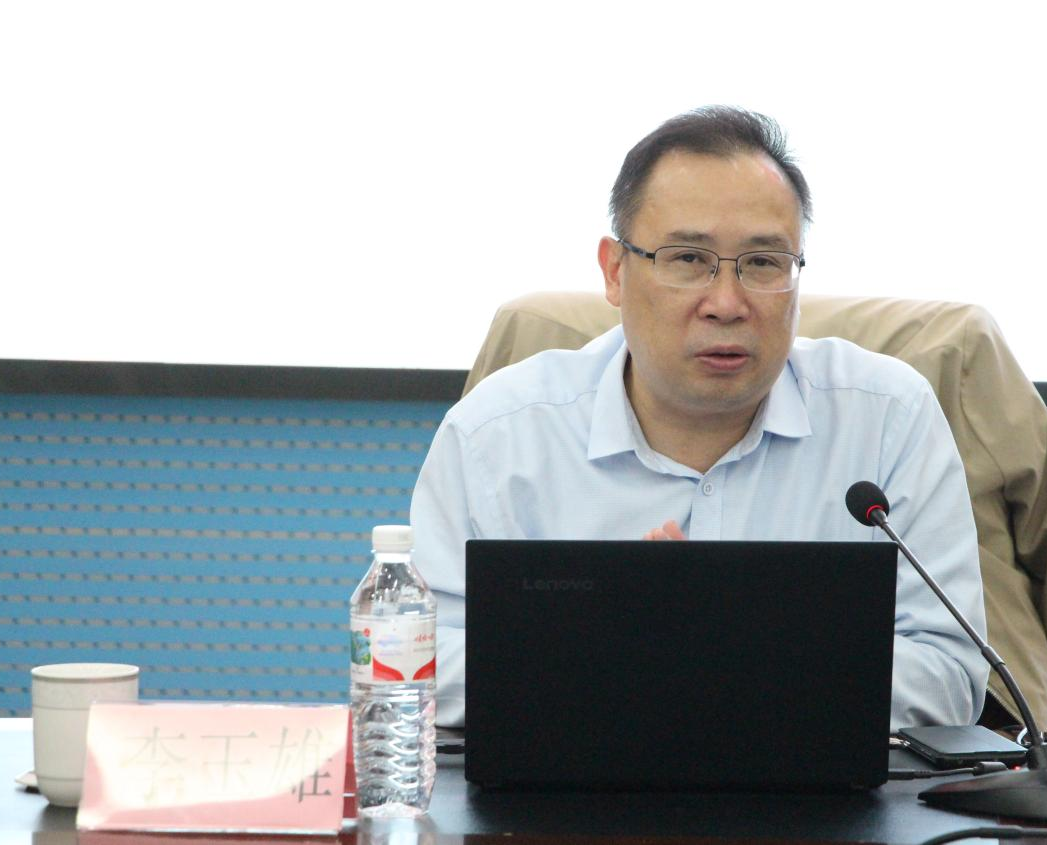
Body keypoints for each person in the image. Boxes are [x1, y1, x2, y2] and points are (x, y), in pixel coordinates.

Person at [411, 106, 989, 731]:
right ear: (615, 271)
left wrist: (724, 645)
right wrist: (618, 644)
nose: (726, 303)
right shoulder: (496, 437)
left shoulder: (888, 421)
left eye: (763, 263)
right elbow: (415, 665)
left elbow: (952, 675)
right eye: (688, 259)